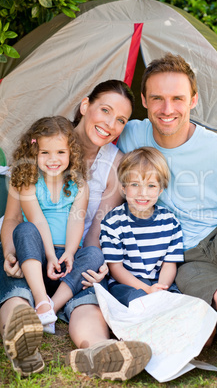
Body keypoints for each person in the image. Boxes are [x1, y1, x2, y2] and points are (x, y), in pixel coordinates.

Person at [0, 80, 152, 379]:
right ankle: (22, 340)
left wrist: (98, 264)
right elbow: (14, 219)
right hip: (31, 252)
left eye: (120, 120)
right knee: (16, 291)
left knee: (88, 298)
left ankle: (97, 351)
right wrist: (7, 250)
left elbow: (95, 226)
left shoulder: (114, 164)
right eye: (105, 110)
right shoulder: (44, 145)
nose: (110, 124)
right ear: (85, 106)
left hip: (74, 257)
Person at [117, 53, 217, 344]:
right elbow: (86, 135)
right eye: (158, 98)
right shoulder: (131, 133)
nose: (167, 109)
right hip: (186, 257)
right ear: (144, 100)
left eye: (178, 98)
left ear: (193, 100)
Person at [10, 116, 105, 333]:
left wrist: (70, 253)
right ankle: (41, 298)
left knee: (94, 254)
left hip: (66, 266)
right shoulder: (28, 182)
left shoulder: (79, 184)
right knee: (24, 229)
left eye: (60, 152)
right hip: (36, 259)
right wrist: (50, 255)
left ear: (71, 153)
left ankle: (51, 308)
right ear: (34, 153)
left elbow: (76, 220)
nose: (53, 159)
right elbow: (37, 220)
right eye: (45, 153)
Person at [100, 147, 184, 306]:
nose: (142, 193)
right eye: (135, 184)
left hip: (159, 282)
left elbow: (169, 264)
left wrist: (161, 289)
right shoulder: (113, 222)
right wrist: (147, 289)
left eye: (151, 186)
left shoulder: (170, 222)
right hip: (126, 284)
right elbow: (116, 268)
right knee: (138, 302)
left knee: (177, 303)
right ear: (124, 188)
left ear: (160, 190)